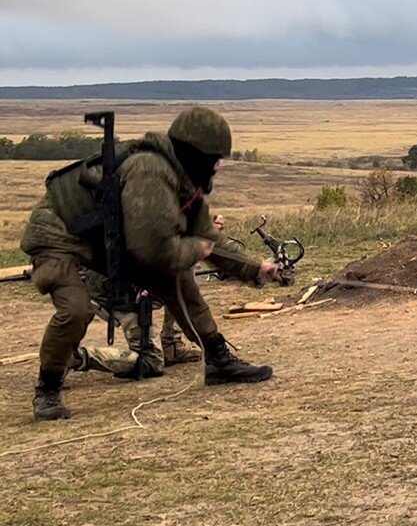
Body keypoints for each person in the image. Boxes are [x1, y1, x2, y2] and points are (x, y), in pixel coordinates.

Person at [21, 106, 279, 421]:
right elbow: (155, 251)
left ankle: (218, 359)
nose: (220, 166)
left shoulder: (183, 180)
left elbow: (208, 237)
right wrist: (198, 248)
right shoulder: (151, 171)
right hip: (58, 232)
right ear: (196, 153)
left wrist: (255, 268)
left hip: (104, 237)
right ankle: (47, 390)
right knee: (76, 308)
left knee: (178, 281)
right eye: (215, 157)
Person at [75, 215, 250, 378]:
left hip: (127, 281)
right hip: (114, 290)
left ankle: (171, 345)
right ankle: (76, 358)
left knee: (180, 270)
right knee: (151, 362)